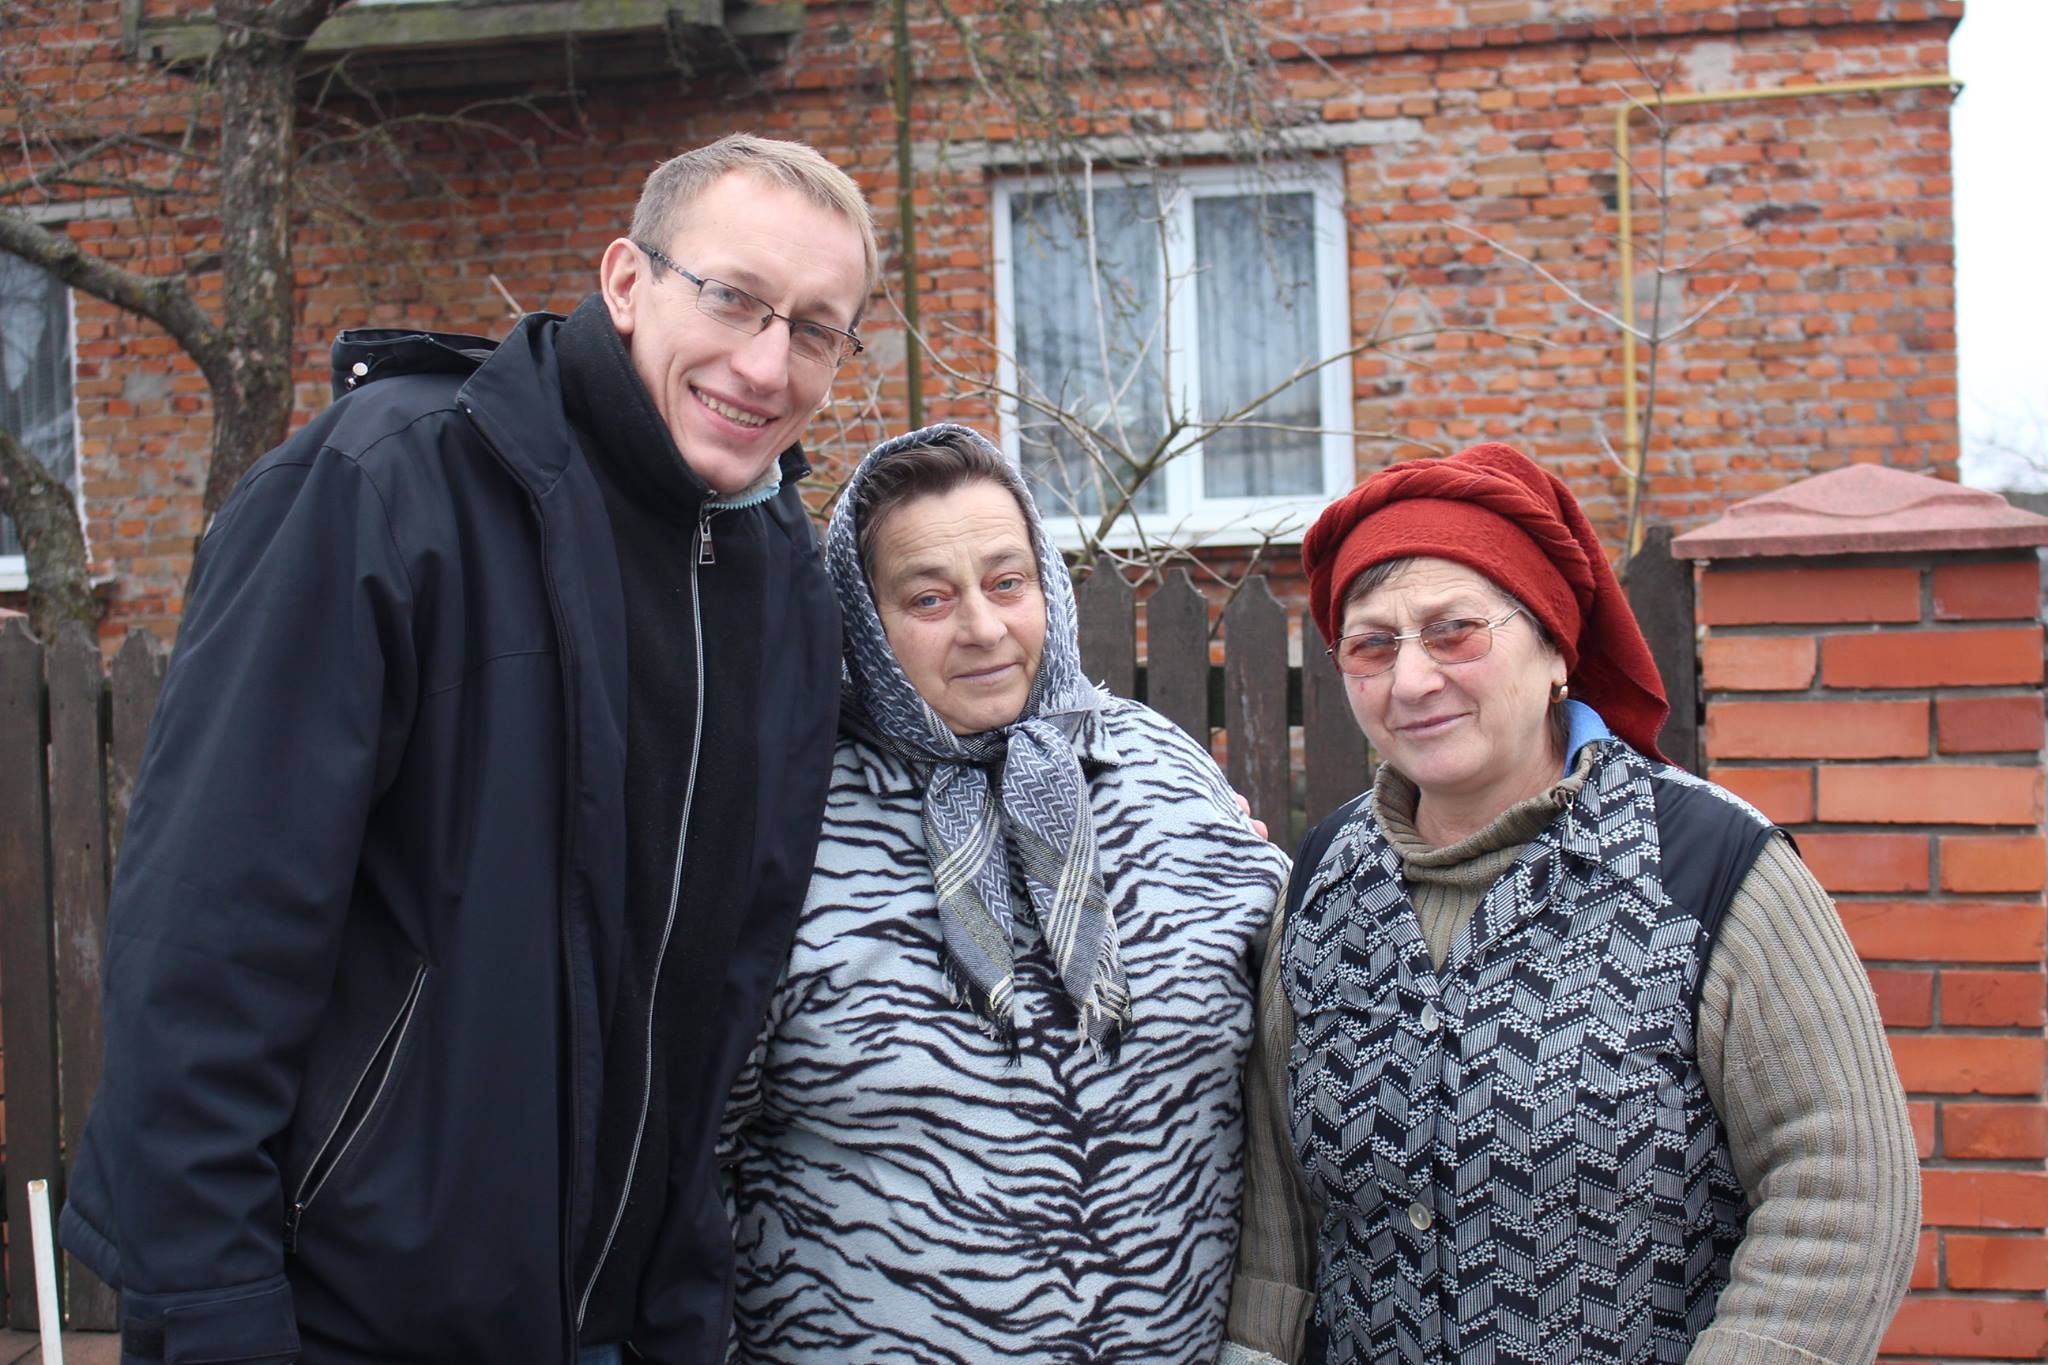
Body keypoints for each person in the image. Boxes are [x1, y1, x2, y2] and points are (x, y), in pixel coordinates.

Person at [60, 134, 875, 1365]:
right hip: (344, 1319)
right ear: (625, 282)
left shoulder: (775, 580)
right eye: (731, 298)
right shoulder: (388, 485)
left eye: (814, 329)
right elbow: (205, 942)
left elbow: (720, 991)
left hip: (626, 1325)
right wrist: (210, 1311)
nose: (766, 365)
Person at [1227, 442, 1920, 1365]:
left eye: (1454, 631)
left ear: (1555, 645)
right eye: (1372, 644)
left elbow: (1844, 1190)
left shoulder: (1708, 870)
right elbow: (1276, 1209)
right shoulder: (1321, 885)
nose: (1411, 680)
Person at [719, 424, 1292, 1365]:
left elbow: (1288, 1050)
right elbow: (697, 1151)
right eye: (929, 597)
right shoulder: (791, 819)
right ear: (862, 617)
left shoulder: (1163, 775)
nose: (983, 628)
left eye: (1007, 582)